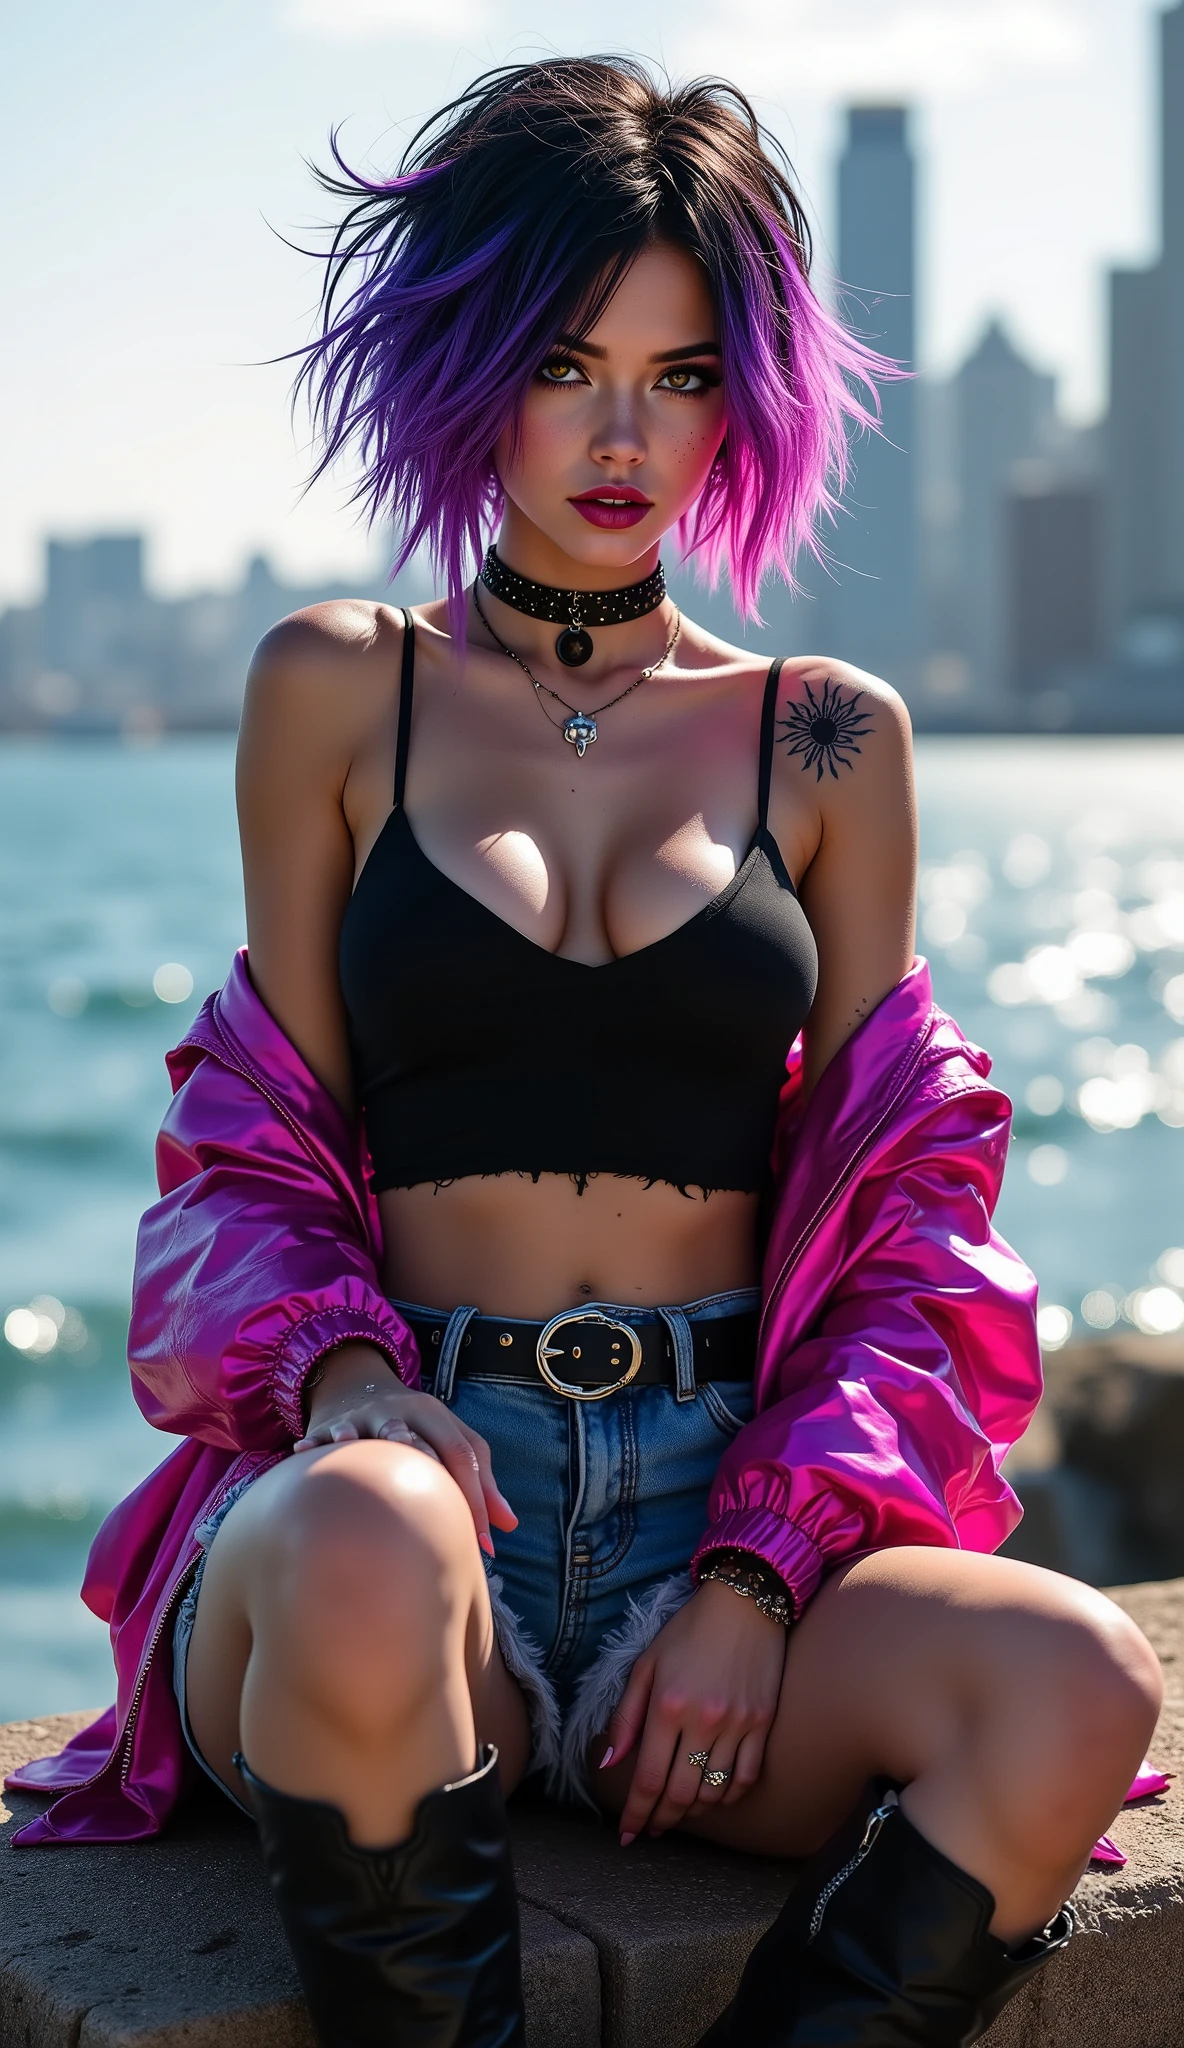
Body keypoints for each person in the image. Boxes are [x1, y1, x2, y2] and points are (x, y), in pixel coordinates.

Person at [8, 56, 1162, 2048]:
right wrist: (353, 1379)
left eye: (685, 373)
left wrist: (764, 1568)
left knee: (1077, 1681)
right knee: (368, 1535)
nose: (628, 432)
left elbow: (907, 1228)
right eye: (568, 362)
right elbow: (245, 1150)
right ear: (471, 363)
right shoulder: (333, 691)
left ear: (752, 394)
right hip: (390, 1502)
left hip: (705, 1516)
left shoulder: (826, 735)